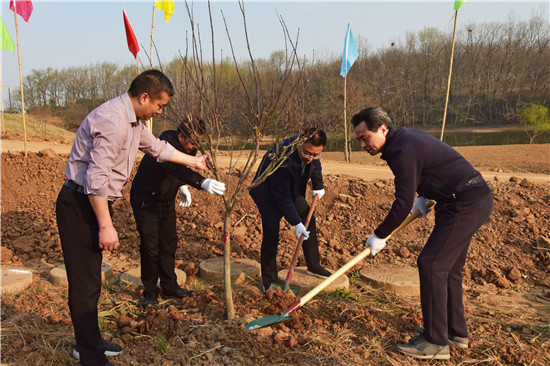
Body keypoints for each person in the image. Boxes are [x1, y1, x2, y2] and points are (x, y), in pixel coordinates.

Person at [55, 70, 210, 366]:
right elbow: (96, 178)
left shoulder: (133, 121)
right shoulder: (114, 121)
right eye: (159, 105)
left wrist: (194, 161)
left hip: (90, 201)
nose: (160, 111)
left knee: (91, 282)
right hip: (80, 203)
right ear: (144, 97)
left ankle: (90, 341)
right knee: (85, 284)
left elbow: (158, 148)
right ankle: (90, 356)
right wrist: (105, 225)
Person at [351, 107, 493, 360]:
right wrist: (425, 195)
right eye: (359, 139)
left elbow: (402, 202)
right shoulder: (404, 139)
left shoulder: (401, 150)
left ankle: (435, 342)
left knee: (431, 263)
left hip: (465, 202)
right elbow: (432, 166)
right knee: (448, 268)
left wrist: (380, 234)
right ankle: (454, 332)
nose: (362, 144)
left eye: (365, 137)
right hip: (460, 200)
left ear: (383, 129)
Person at [130, 118, 225, 307]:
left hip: (165, 201)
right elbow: (174, 166)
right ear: (181, 136)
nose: (194, 148)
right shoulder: (165, 143)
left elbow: (178, 172)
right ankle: (149, 292)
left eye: (198, 143)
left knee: (168, 244)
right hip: (146, 200)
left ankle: (170, 288)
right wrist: (201, 182)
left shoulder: (189, 147)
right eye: (192, 142)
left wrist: (181, 186)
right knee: (150, 247)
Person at [250, 127, 332, 292]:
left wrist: (318, 185)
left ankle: (313, 264)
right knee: (271, 233)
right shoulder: (283, 158)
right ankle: (269, 280)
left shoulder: (312, 154)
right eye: (308, 153)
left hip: (290, 190)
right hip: (267, 193)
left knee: (309, 219)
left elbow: (315, 165)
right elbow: (281, 197)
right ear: (300, 143)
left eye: (316, 154)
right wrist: (296, 222)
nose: (311, 158)